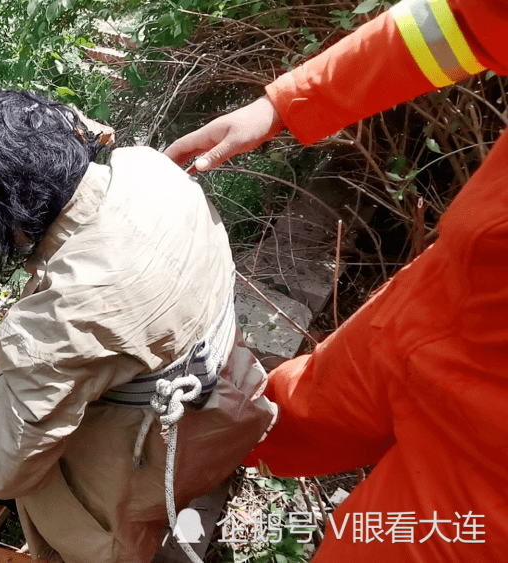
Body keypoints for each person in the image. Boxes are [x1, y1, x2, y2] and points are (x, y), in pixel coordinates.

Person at [0, 90, 276, 562]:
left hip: (149, 465)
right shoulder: (151, 169)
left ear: (3, 219)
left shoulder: (53, 322)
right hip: (223, 401)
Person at [163, 0, 507, 560]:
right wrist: (284, 104)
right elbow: (460, 22)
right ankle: (193, 485)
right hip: (460, 279)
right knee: (283, 410)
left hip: (492, 443)